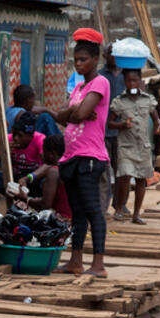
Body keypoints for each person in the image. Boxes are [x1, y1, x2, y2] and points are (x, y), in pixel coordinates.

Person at [55, 28, 111, 278]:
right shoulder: (79, 88)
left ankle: (98, 264)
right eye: (76, 60)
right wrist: (76, 111)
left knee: (93, 210)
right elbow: (61, 115)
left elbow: (74, 115)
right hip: (72, 157)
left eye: (83, 59)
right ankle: (75, 260)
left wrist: (76, 112)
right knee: (76, 211)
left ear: (94, 60)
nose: (78, 64)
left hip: (91, 156)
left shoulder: (100, 82)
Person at [109, 69, 160, 223]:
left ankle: (136, 214)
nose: (132, 84)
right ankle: (119, 208)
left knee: (141, 180)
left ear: (140, 81)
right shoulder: (119, 101)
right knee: (125, 176)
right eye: (128, 81)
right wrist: (122, 124)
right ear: (124, 82)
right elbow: (110, 122)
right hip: (126, 147)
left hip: (143, 146)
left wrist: (159, 126)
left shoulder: (148, 100)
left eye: (135, 81)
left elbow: (156, 118)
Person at [0, 112, 61, 212]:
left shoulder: (39, 139)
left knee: (47, 180)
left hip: (33, 180)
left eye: (20, 135)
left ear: (31, 136)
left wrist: (28, 178)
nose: (15, 138)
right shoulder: (7, 139)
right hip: (13, 181)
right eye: (14, 134)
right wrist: (4, 153)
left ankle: (41, 208)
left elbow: (48, 164)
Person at [100, 48, 125, 215]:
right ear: (105, 56)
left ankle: (120, 204)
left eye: (117, 53)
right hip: (103, 129)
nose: (114, 56)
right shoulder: (100, 76)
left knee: (121, 169)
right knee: (104, 170)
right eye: (111, 53)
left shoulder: (126, 75)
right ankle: (103, 206)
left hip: (122, 130)